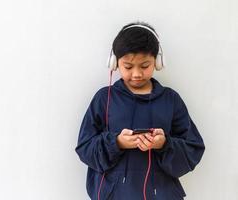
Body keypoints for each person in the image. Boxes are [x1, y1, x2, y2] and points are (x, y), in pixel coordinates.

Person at [75, 22, 205, 200]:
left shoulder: (171, 99)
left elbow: (193, 149)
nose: (136, 74)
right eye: (128, 66)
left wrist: (164, 144)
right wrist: (117, 143)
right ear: (115, 62)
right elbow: (84, 148)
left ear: (157, 62)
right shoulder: (104, 98)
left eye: (144, 66)